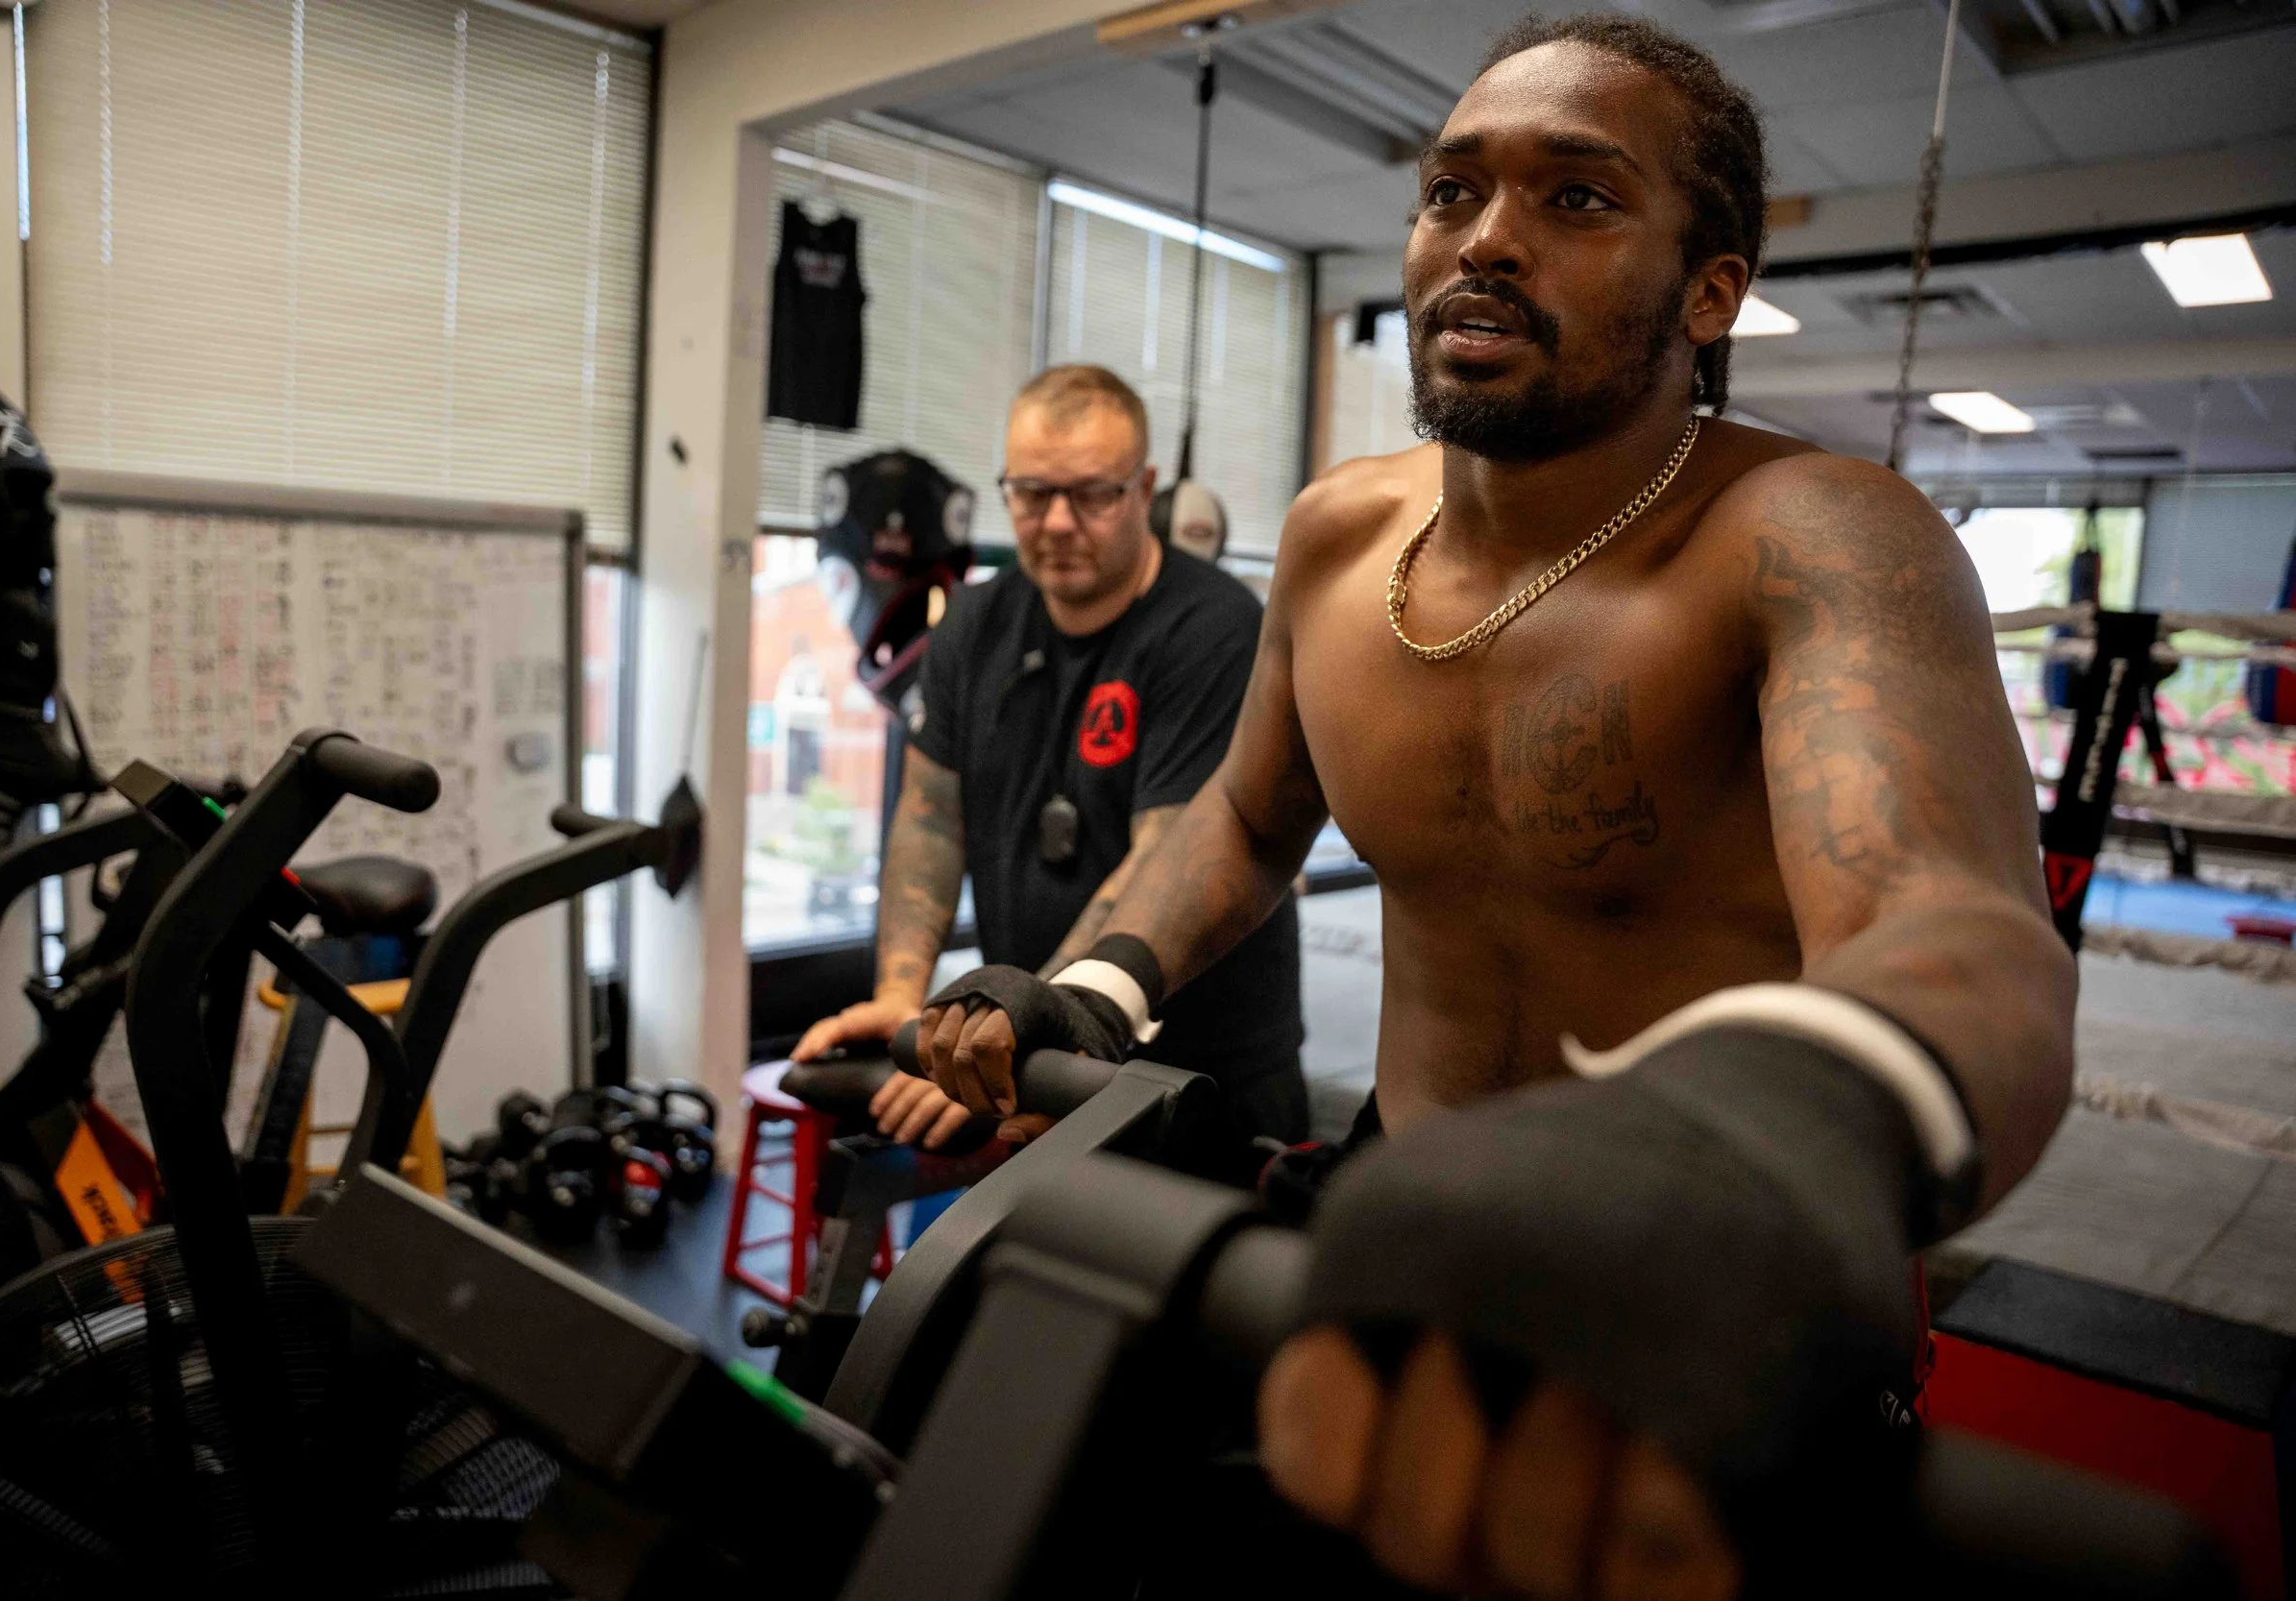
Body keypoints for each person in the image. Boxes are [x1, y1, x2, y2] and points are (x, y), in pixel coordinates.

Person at [908, 16, 2074, 1597]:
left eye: (1577, 201)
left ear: (1712, 287)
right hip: (1411, 1212)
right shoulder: (1334, 541)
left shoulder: (1812, 537)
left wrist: (1771, 1142)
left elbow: (1952, 926)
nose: (1489, 241)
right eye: (1452, 193)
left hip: (1721, 1259)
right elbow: (1248, 819)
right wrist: (1093, 986)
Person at [792, 364, 1308, 1154]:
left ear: (1144, 487)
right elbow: (930, 817)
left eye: (1093, 494)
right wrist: (903, 1000)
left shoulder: (1216, 629)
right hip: (1026, 1061)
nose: (1058, 522)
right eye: (1031, 493)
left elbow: (1163, 860)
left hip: (1196, 1080)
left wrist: (1023, 1026)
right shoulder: (973, 622)